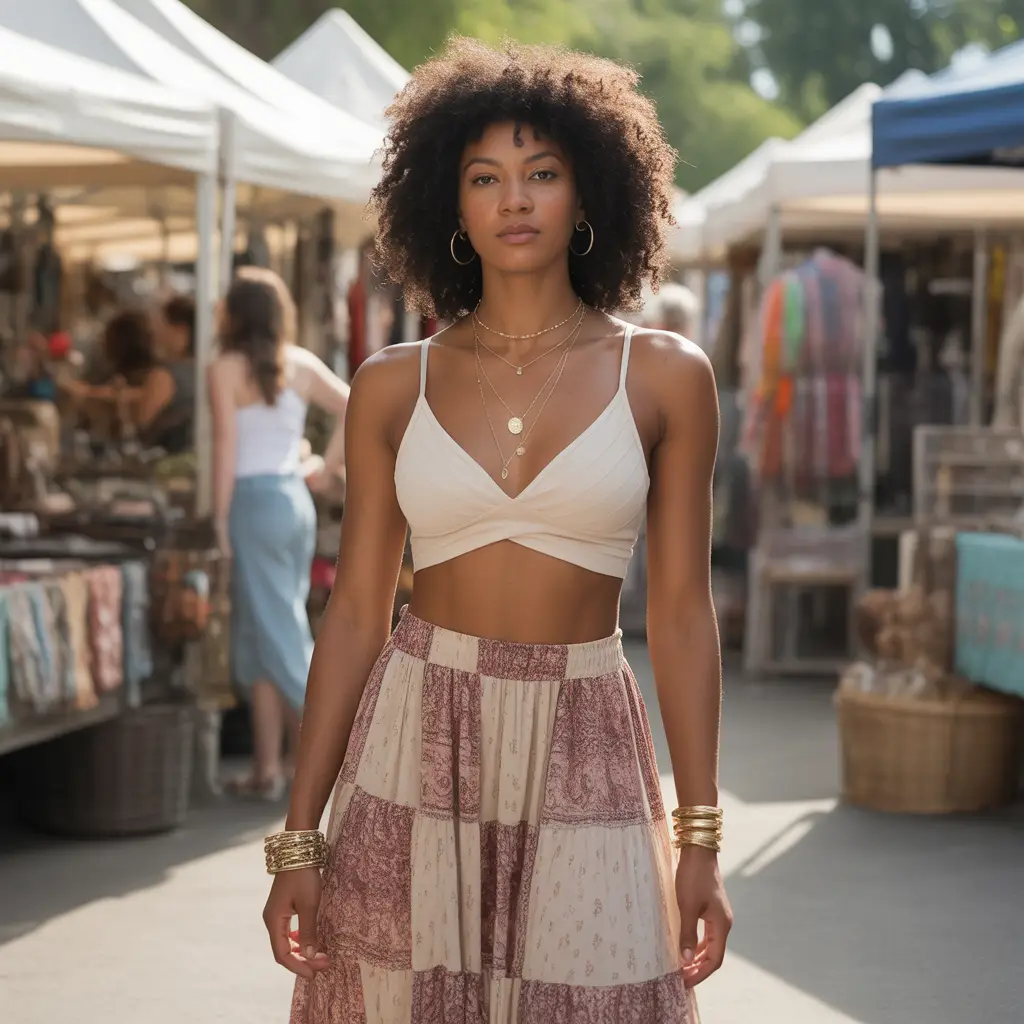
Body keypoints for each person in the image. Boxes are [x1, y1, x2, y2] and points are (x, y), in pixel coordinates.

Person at [263, 38, 730, 1024]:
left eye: (542, 173)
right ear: (450, 203)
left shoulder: (665, 373)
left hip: (587, 725)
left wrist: (698, 837)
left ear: (588, 190)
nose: (514, 199)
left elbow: (685, 617)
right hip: (415, 731)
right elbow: (352, 615)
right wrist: (298, 837)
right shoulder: (394, 381)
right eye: (485, 177)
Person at [208, 267, 349, 800]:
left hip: (254, 504)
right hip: (293, 501)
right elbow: (357, 401)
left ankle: (343, 753)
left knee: (280, 635)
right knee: (264, 635)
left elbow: (225, 448)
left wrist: (219, 523)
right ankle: (270, 770)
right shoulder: (301, 363)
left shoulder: (224, 367)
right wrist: (321, 466)